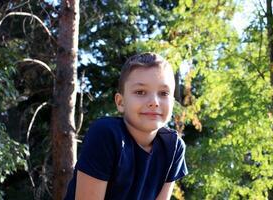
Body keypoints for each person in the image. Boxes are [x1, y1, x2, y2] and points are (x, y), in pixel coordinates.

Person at [64, 52, 188, 200]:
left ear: (173, 103)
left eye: (163, 93)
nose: (154, 101)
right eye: (140, 92)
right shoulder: (106, 134)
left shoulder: (173, 147)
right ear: (120, 102)